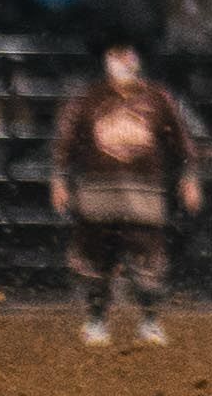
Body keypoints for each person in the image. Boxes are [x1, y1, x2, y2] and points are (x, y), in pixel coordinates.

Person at [50, 40, 203, 346]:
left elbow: (182, 142)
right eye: (115, 55)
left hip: (143, 193)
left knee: (149, 257)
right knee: (96, 258)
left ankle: (149, 320)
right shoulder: (87, 99)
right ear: (107, 61)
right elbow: (65, 141)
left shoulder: (158, 99)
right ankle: (96, 321)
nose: (122, 62)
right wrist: (59, 179)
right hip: (97, 193)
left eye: (126, 55)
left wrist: (190, 177)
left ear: (136, 60)